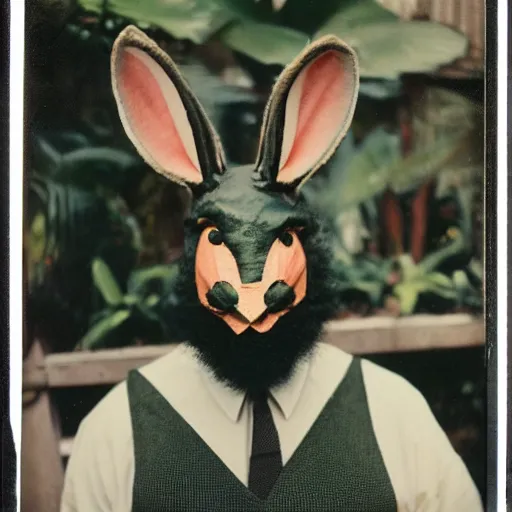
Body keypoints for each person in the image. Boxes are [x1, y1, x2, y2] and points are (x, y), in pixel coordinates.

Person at [61, 26, 483, 512]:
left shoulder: (396, 416)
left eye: (278, 240)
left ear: (303, 242)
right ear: (194, 248)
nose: (253, 293)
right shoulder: (115, 435)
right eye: (219, 239)